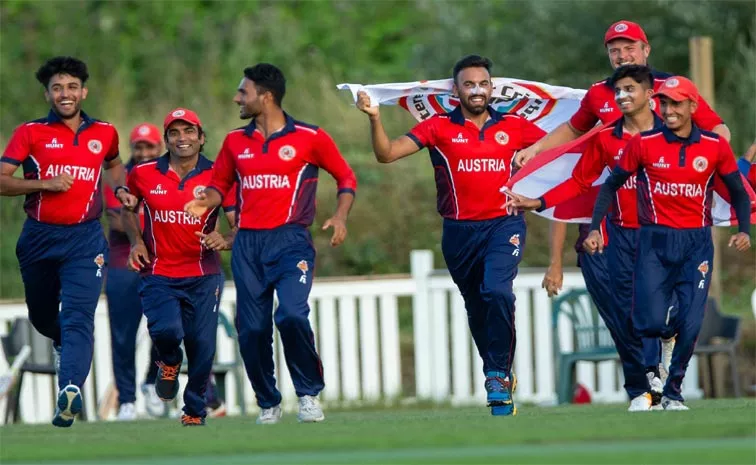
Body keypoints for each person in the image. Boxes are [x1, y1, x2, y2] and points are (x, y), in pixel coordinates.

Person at [515, 20, 731, 384]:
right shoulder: (600, 95)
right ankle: (644, 386)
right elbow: (574, 136)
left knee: (672, 307)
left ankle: (661, 352)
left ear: (646, 50)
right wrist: (536, 150)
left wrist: (715, 162)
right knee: (624, 310)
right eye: (614, 49)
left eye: (629, 47)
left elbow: (718, 129)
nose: (621, 54)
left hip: (672, 219)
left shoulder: (672, 89)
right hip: (613, 223)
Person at [356, 55, 546, 416]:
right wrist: (375, 118)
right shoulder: (437, 127)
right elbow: (386, 154)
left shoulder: (516, 127)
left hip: (504, 225)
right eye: (469, 84)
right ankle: (499, 375)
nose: (477, 90)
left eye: (483, 83)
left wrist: (546, 151)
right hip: (458, 232)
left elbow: (563, 146)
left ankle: (496, 374)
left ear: (492, 88)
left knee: (497, 291)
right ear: (456, 89)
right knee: (476, 306)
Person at [184, 63, 357, 425]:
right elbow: (220, 186)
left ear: (266, 96)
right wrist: (204, 200)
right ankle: (268, 402)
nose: (236, 98)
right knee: (252, 329)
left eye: (243, 92)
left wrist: (340, 216)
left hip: (291, 240)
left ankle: (309, 395)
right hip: (248, 245)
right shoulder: (235, 141)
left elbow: (345, 176)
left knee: (292, 315)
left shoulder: (310, 137)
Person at [584, 76, 751, 410]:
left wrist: (743, 229)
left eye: (676, 103)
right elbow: (609, 186)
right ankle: (651, 382)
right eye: (664, 103)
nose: (669, 110)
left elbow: (737, 192)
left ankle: (673, 391)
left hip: (696, 244)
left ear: (692, 106)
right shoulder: (643, 143)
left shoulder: (714, 146)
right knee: (649, 317)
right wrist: (593, 228)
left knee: (690, 322)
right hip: (654, 242)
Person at [506, 65, 665, 411]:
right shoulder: (603, 138)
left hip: (662, 238)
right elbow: (574, 191)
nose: (623, 97)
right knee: (623, 317)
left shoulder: (673, 131)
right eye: (618, 92)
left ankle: (657, 373)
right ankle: (642, 389)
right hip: (607, 242)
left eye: (629, 90)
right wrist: (539, 205)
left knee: (658, 313)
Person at [0, 56, 136, 427]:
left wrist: (121, 188)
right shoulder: (30, 132)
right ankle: (63, 346)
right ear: (47, 93)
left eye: (72, 87)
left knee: (79, 317)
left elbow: (112, 163)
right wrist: (44, 183)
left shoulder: (104, 131)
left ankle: (69, 389)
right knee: (44, 317)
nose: (65, 94)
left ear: (83, 91)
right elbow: (2, 180)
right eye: (58, 87)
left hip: (86, 239)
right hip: (39, 238)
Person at [124, 108, 235, 426]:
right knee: (167, 332)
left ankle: (195, 409)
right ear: (166, 139)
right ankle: (169, 361)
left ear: (201, 137)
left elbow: (238, 225)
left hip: (203, 274)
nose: (181, 138)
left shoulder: (219, 176)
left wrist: (224, 240)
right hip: (158, 272)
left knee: (202, 344)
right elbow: (128, 206)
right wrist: (137, 241)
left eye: (189, 131)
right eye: (174, 132)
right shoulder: (143, 173)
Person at [103, 123, 164, 420]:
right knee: (123, 335)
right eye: (138, 147)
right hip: (122, 263)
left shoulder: (168, 173)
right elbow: (117, 221)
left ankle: (152, 381)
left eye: (149, 147)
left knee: (167, 327)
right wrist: (163, 224)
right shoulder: (118, 176)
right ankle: (126, 399)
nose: (143, 153)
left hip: (162, 263)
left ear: (159, 147)